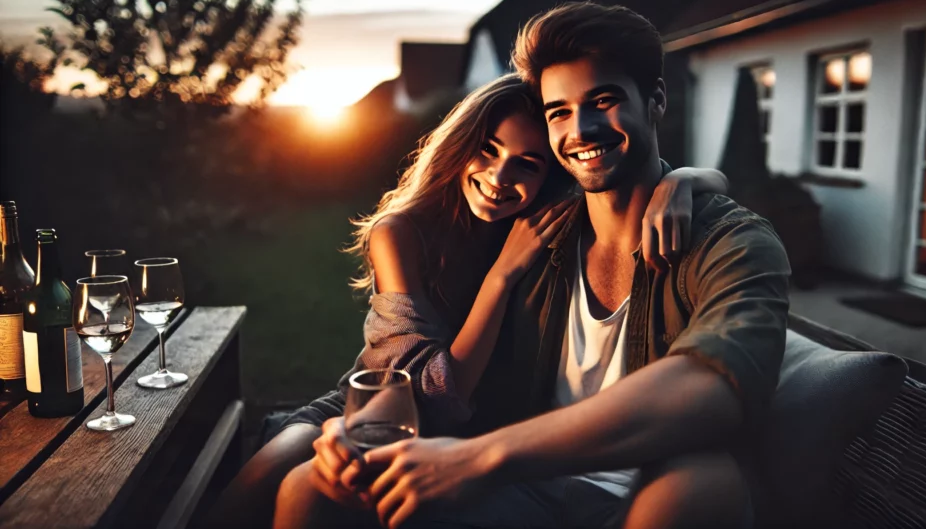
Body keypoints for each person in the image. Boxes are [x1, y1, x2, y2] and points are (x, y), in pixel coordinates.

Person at [279, 2, 791, 529]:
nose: (582, 129)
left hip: (641, 488)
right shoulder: (533, 232)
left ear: (656, 100)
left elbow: (715, 385)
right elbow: (429, 372)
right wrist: (364, 429)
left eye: (604, 101)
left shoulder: (732, 243)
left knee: (704, 485)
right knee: (309, 486)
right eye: (559, 113)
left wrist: (482, 457)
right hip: (521, 495)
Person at [205, 72, 730, 529]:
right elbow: (437, 388)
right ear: (460, 145)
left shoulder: (543, 224)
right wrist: (502, 276)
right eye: (488, 150)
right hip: (390, 402)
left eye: (527, 164)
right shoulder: (403, 233)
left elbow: (682, 177)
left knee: (305, 486)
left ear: (549, 175)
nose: (500, 178)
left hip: (478, 424)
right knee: (280, 464)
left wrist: (681, 181)